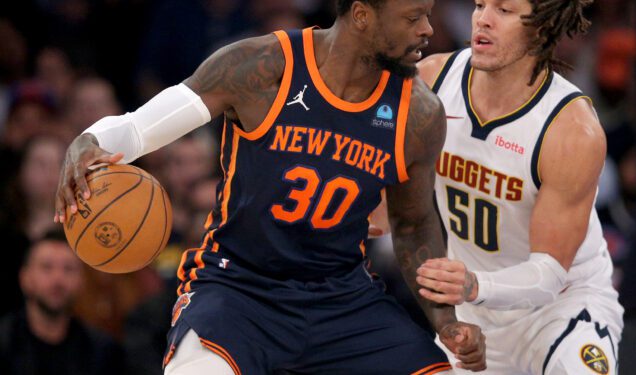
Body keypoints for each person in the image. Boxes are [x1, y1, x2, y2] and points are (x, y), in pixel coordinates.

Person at [54, 0, 487, 373]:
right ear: (361, 15)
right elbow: (137, 129)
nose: (428, 30)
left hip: (341, 297)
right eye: (413, 17)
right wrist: (89, 141)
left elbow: (412, 225)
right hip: (238, 287)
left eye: (428, 15)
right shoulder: (261, 67)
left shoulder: (419, 114)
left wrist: (444, 320)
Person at [410, 0, 625, 373]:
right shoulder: (430, 82)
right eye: (480, 5)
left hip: (561, 309)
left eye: (504, 11)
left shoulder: (571, 129)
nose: (484, 20)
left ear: (540, 28)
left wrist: (476, 285)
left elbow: (549, 274)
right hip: (474, 314)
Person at [0, 231, 124, 374]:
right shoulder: (4, 343)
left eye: (68, 269)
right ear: (25, 278)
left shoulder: (103, 352)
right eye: (46, 267)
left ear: (81, 280)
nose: (58, 279)